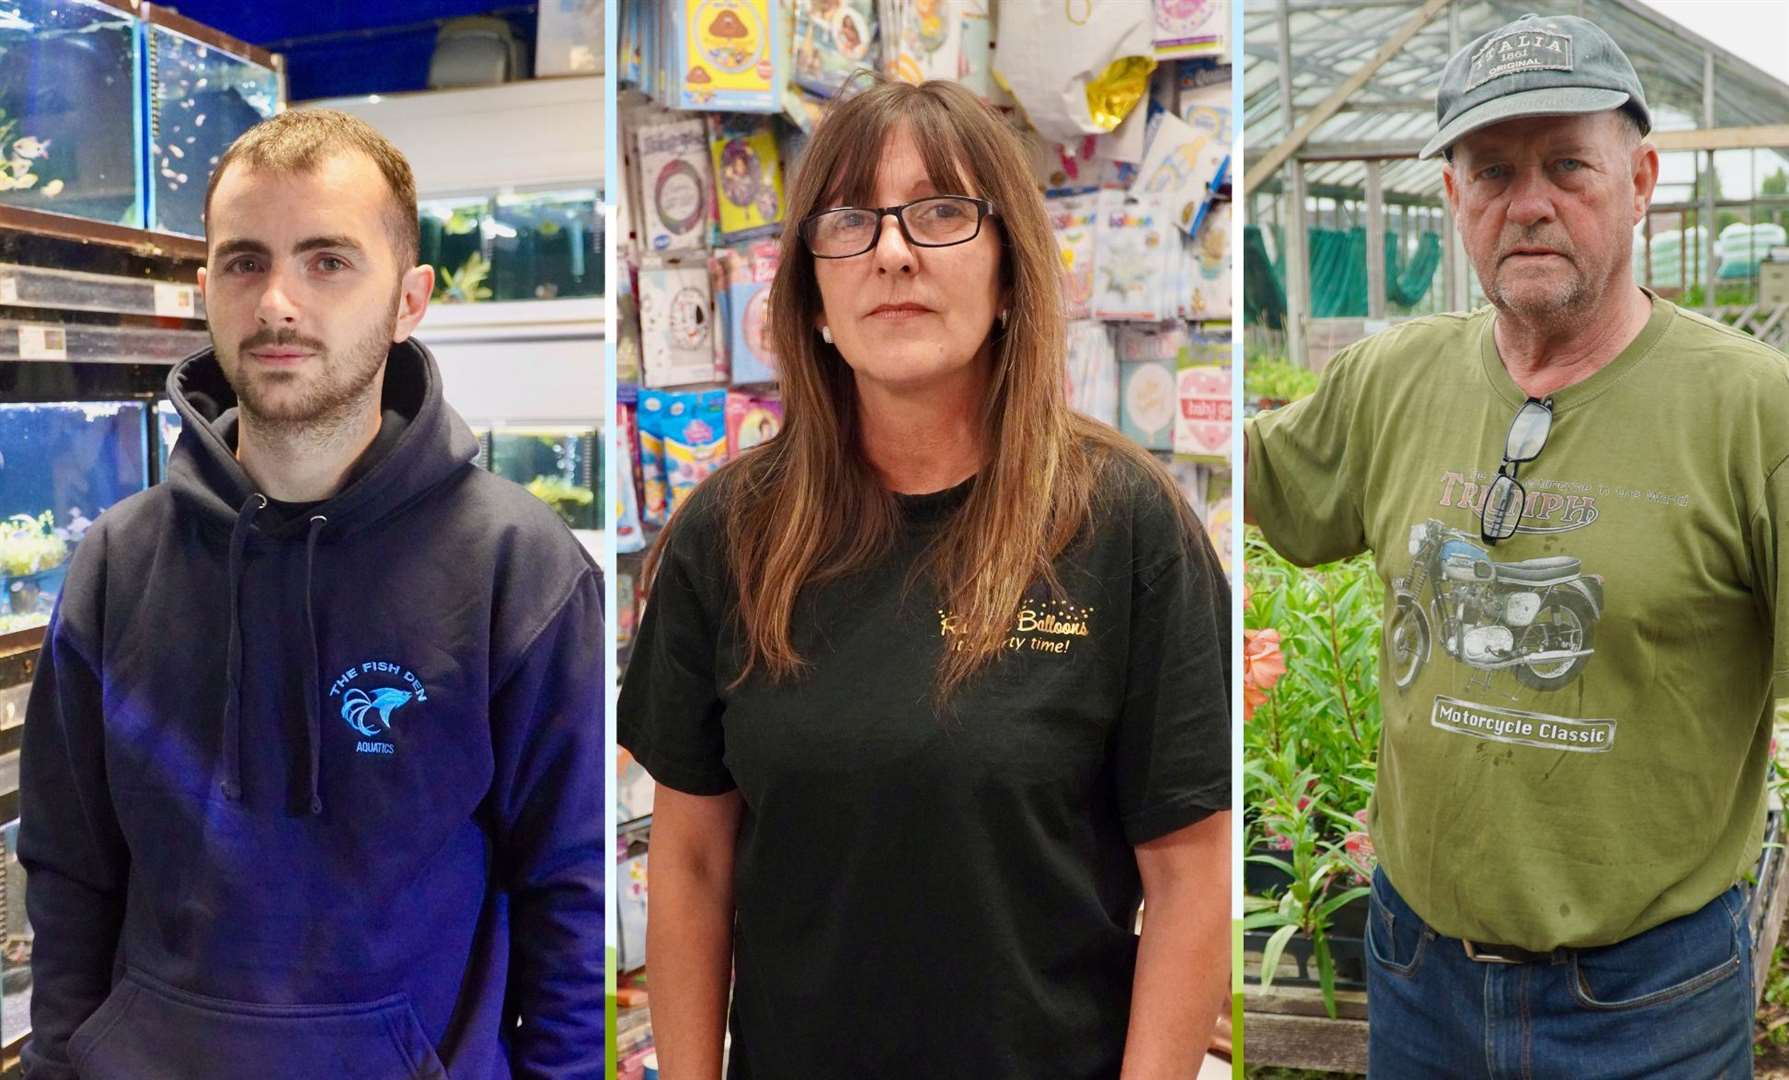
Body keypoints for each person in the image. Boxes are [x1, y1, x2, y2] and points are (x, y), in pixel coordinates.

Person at [619, 77, 1232, 1079]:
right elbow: (689, 865)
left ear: (1008, 273)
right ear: (810, 293)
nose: (892, 251)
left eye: (941, 212)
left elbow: (1190, 878)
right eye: (850, 220)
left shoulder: (1125, 525)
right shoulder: (725, 535)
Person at [1247, 12, 1788, 1076]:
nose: (1527, 201)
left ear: (1639, 183)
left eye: (1566, 166)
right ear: (1454, 198)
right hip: (1414, 970)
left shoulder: (1752, 411)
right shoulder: (1388, 377)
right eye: (1491, 169)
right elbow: (1238, 485)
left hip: (1648, 1000)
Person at [18, 110, 604, 1079]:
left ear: (410, 298)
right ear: (205, 291)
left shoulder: (518, 567)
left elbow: (568, 894)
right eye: (246, 263)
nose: (279, 302)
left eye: (328, 261)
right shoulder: (117, 564)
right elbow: (70, 871)